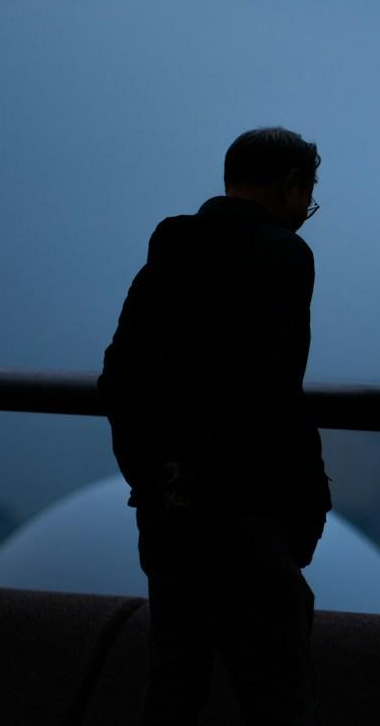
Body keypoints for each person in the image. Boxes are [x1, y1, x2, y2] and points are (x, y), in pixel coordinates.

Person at [98, 126, 331, 725]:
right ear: (289, 186)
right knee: (278, 692)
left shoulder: (173, 245)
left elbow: (120, 373)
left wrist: (156, 475)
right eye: (308, 194)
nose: (307, 210)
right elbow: (269, 392)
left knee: (174, 683)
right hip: (241, 512)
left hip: (164, 509)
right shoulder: (284, 255)